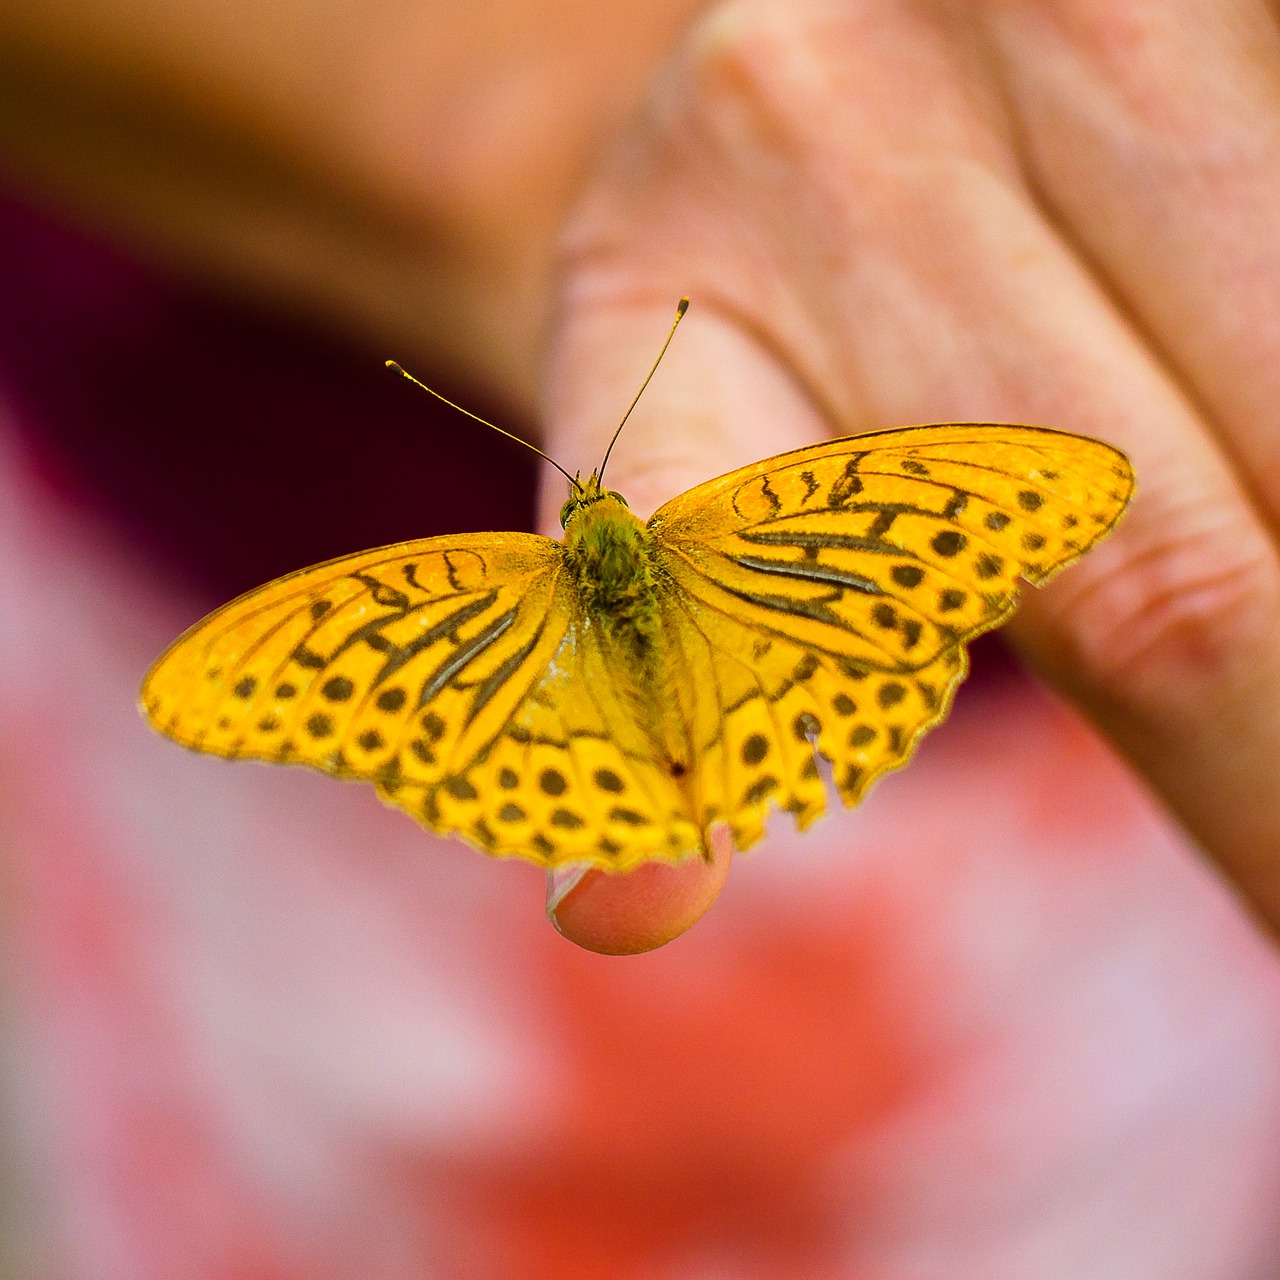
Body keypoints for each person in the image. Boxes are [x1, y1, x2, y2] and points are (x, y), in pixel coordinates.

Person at [1, 1, 1279, 1272]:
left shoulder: (473, 582)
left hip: (1081, 753)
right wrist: (544, 139)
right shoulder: (740, 516)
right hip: (237, 660)